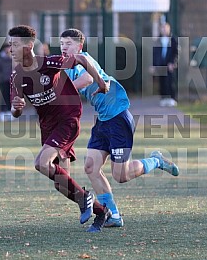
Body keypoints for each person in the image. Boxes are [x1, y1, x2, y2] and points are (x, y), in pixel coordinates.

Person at [60, 28, 180, 227]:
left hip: (118, 118)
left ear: (79, 46)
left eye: (68, 44)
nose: (64, 48)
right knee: (91, 167)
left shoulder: (82, 59)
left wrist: (63, 92)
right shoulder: (67, 66)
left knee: (121, 175)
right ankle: (113, 214)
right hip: (103, 121)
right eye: (62, 44)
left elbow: (88, 79)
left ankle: (156, 161)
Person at [9, 25, 111, 232]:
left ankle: (87, 199)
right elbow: (15, 110)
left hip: (68, 119)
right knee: (61, 182)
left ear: (29, 46)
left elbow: (82, 59)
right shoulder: (16, 77)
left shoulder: (49, 63)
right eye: (10, 45)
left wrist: (102, 83)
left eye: (15, 44)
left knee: (41, 163)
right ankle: (102, 212)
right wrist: (16, 108)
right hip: (48, 127)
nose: (10, 49)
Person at [151, 22, 178, 107]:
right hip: (160, 63)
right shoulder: (158, 40)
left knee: (170, 81)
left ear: (169, 29)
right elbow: (155, 54)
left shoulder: (173, 39)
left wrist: (173, 63)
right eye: (162, 28)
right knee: (162, 81)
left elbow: (176, 53)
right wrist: (154, 65)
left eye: (166, 28)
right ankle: (163, 98)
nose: (164, 30)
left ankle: (172, 99)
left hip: (169, 64)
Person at [0, 43, 13, 121]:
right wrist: (1, 78)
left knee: (11, 96)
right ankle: (3, 112)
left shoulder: (14, 58)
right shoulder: (1, 59)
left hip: (12, 81)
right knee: (4, 96)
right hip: (4, 81)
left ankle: (10, 112)